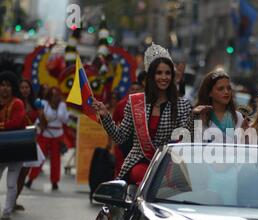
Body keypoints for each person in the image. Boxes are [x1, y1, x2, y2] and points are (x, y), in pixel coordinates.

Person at [92, 43, 193, 185]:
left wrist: (194, 117)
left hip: (169, 165)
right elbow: (120, 137)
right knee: (141, 175)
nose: (163, 77)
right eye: (159, 73)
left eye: (167, 73)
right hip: (140, 164)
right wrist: (105, 116)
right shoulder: (136, 102)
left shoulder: (182, 105)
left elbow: (184, 139)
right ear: (151, 76)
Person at [26, 87, 70, 190]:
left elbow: (65, 120)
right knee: (39, 157)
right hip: (46, 133)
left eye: (57, 95)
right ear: (50, 96)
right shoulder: (44, 103)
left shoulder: (62, 105)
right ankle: (31, 179)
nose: (55, 98)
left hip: (57, 135)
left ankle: (55, 182)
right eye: (53, 95)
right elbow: (40, 117)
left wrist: (60, 110)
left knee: (56, 160)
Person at [15, 79, 47, 211]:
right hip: (16, 141)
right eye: (22, 87)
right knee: (14, 173)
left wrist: (40, 112)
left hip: (29, 142)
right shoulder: (15, 103)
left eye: (26, 87)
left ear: (30, 89)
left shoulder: (36, 104)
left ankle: (14, 200)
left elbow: (43, 125)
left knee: (23, 174)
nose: (24, 90)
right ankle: (10, 201)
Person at [193, 69, 245, 143]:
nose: (226, 92)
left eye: (229, 88)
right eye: (220, 89)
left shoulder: (238, 116)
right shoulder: (200, 116)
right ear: (209, 93)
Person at [0, 71, 26, 220]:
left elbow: (15, 123)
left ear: (12, 88)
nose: (4, 88)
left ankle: (7, 211)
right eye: (2, 85)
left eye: (8, 85)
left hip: (16, 148)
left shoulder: (17, 103)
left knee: (11, 182)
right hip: (1, 147)